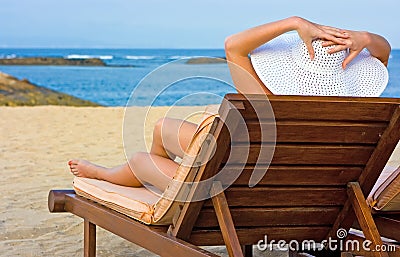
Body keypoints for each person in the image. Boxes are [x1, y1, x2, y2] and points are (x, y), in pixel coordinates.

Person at [69, 16, 391, 191]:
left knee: (142, 160)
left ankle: (108, 175)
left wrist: (293, 23)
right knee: (162, 127)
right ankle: (168, 188)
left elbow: (233, 47)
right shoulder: (354, 113)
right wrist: (364, 37)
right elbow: (383, 51)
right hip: (296, 192)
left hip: (232, 197)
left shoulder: (269, 102)